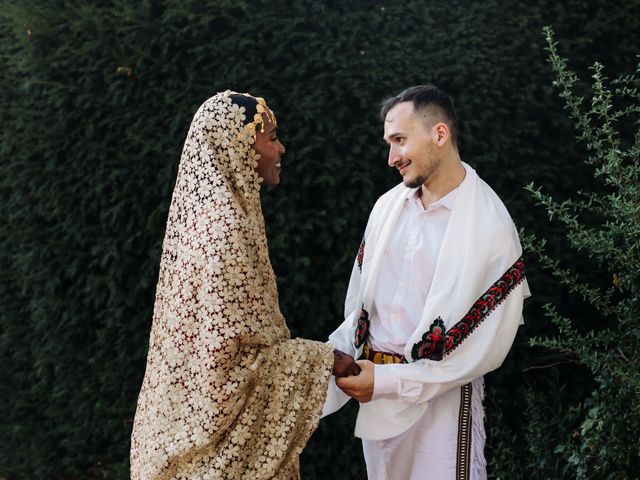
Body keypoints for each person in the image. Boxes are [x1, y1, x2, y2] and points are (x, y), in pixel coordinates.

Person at [130, 91, 359, 480]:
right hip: (217, 456)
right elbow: (230, 364)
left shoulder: (204, 224)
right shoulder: (227, 230)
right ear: (238, 147)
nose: (280, 148)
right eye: (270, 138)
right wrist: (325, 360)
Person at [322, 85, 531, 479]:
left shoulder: (491, 228)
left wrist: (388, 382)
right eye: (389, 143)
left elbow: (476, 355)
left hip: (442, 412)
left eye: (399, 140)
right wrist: (320, 363)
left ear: (439, 134)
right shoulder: (386, 208)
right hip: (376, 403)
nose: (391, 157)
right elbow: (361, 311)